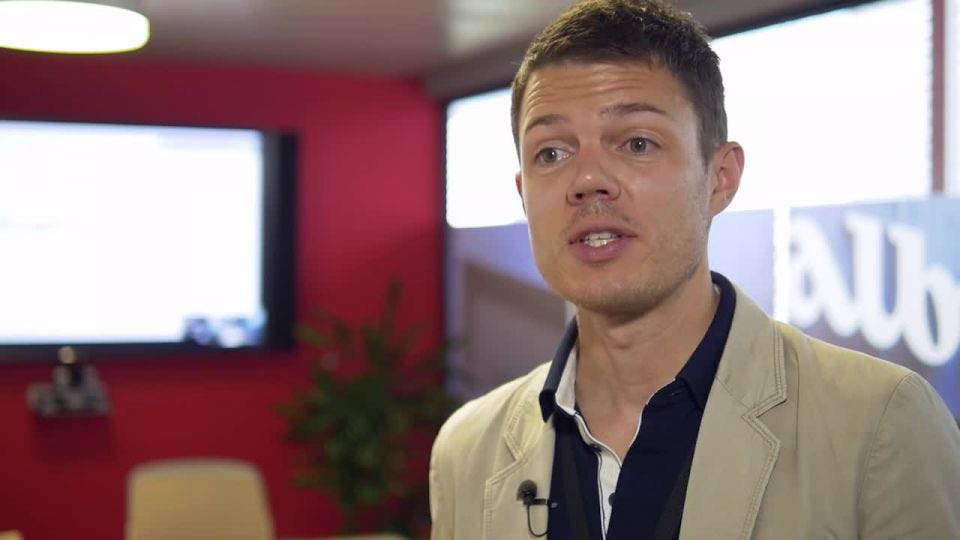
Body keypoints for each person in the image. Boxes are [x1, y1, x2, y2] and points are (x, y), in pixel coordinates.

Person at [429, 0, 960, 538]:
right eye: (551, 153)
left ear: (721, 177)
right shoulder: (466, 451)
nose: (587, 180)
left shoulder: (878, 423)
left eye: (637, 143)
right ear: (523, 194)